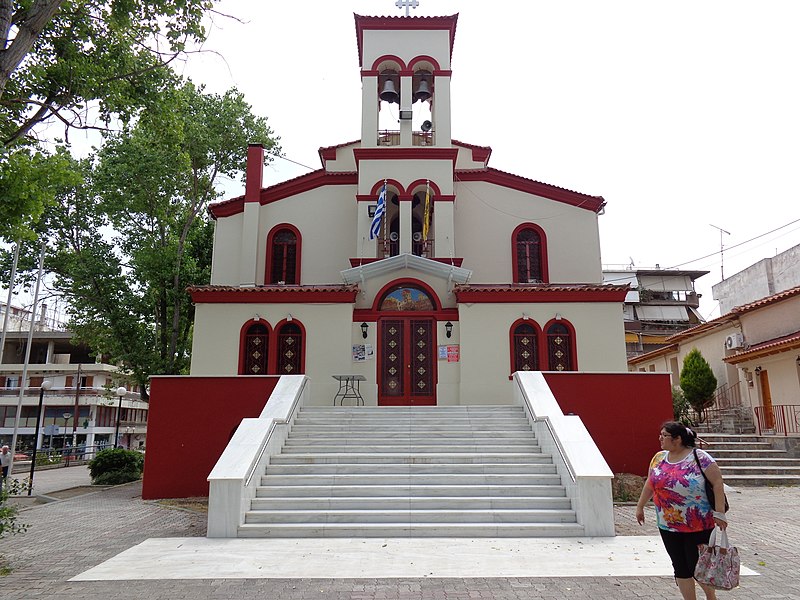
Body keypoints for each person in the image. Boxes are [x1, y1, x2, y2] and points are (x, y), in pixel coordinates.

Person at [636, 421, 728, 600]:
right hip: (667, 524)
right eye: (660, 435)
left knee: (697, 566)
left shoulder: (700, 457)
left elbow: (717, 483)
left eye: (664, 435)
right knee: (680, 566)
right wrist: (640, 506)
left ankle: (711, 596)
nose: (660, 439)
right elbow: (650, 482)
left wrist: (719, 513)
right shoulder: (658, 458)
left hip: (698, 523)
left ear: (677, 439)